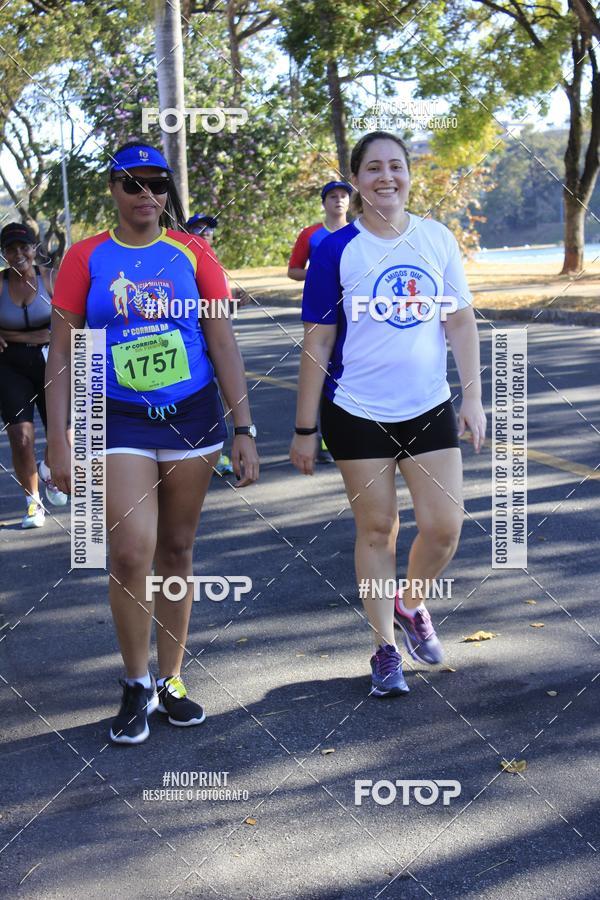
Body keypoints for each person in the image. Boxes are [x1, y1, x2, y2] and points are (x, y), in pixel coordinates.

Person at [46, 141, 259, 745]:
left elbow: (222, 343)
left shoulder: (193, 253)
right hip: (117, 419)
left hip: (192, 417)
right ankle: (136, 681)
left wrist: (243, 429)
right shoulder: (87, 257)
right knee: (132, 553)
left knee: (177, 551)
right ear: (111, 190)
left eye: (156, 184)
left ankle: (172, 679)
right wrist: (61, 441)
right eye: (131, 184)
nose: (146, 196)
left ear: (168, 191)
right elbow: (62, 355)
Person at [290, 131, 486, 698]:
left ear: (408, 174)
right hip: (356, 412)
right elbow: (318, 341)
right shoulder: (336, 250)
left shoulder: (436, 238)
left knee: (444, 527)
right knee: (378, 530)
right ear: (356, 180)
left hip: (428, 406)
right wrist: (305, 429)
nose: (386, 176)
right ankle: (383, 648)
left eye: (395, 166)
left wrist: (471, 397)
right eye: (372, 168)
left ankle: (411, 603)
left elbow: (460, 323)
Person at [0, 222, 69, 529]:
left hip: (52, 362)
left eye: (23, 247)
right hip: (10, 366)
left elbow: (74, 321)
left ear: (34, 248)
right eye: (10, 249)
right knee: (20, 436)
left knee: (66, 436)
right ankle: (33, 503)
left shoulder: (52, 279)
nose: (18, 255)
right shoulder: (0, 284)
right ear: (3, 254)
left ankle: (50, 470)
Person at [288, 181, 353, 464]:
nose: (338, 201)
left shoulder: (361, 231)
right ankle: (323, 434)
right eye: (332, 197)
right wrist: (320, 274)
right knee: (323, 368)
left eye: (343, 196)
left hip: (354, 312)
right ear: (324, 202)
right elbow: (293, 270)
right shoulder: (311, 234)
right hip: (322, 311)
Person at [186, 212, 250, 476]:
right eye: (198, 228)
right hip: (198, 342)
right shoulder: (185, 261)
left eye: (209, 229)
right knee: (203, 398)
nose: (205, 233)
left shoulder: (213, 261)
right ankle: (204, 452)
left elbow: (218, 309)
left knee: (224, 397)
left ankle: (216, 451)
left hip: (219, 340)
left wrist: (235, 302)